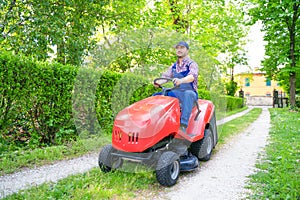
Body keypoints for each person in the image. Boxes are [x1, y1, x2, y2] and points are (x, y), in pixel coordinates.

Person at [155, 41, 199, 134]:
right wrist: (158, 82)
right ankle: (155, 123)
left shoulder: (192, 64)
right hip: (177, 92)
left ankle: (183, 125)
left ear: (187, 50)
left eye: (182, 48)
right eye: (177, 48)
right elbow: (166, 77)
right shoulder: (173, 66)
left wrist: (181, 80)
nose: (179, 50)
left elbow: (192, 77)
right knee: (156, 96)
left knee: (188, 94)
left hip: (189, 92)